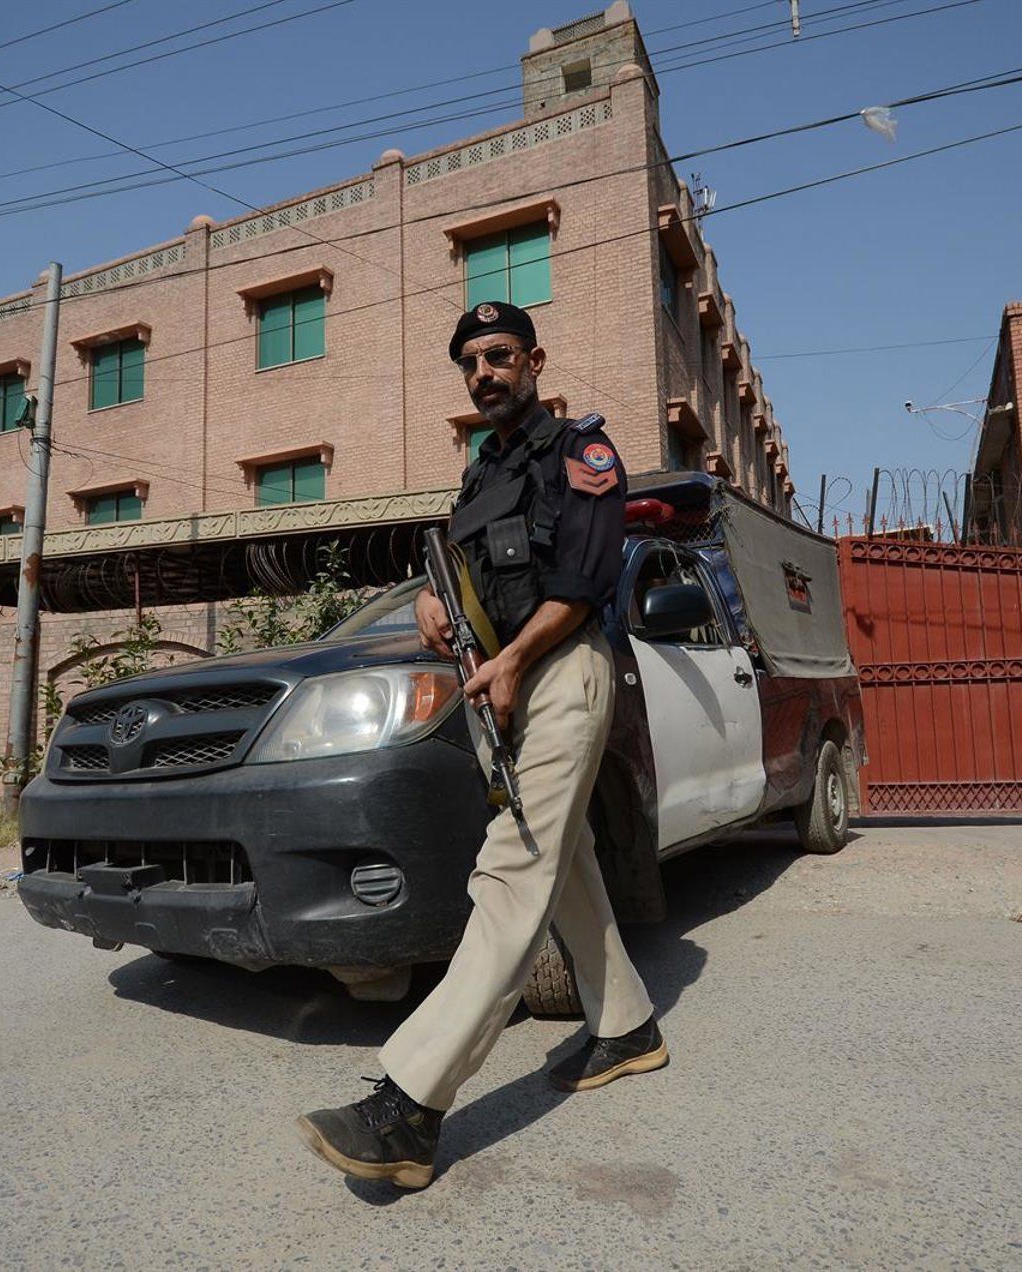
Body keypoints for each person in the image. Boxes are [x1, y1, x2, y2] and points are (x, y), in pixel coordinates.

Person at [295, 302, 667, 1191]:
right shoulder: (480, 475)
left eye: (498, 356)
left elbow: (582, 582)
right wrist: (433, 602)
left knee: (511, 869)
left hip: (559, 669)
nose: (483, 374)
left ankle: (408, 1107)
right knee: (562, 860)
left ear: (534, 359)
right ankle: (627, 1026)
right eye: (469, 363)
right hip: (496, 677)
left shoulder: (582, 452)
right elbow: (461, 575)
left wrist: (513, 662)